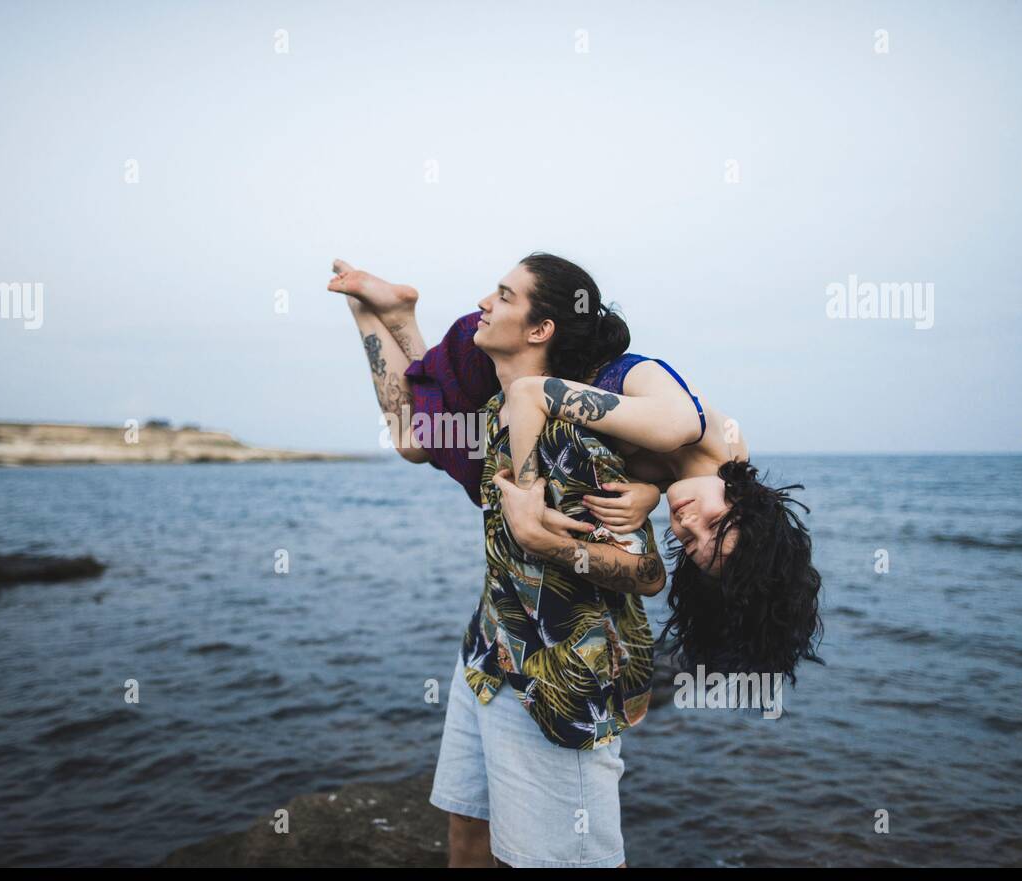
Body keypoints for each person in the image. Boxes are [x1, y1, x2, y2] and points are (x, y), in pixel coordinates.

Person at [330, 253, 824, 684]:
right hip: (519, 362)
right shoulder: (675, 424)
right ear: (747, 503)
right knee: (414, 438)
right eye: (714, 524)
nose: (687, 523)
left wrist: (650, 493)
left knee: (417, 440)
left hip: (522, 385)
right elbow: (532, 393)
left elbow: (670, 474)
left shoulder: (715, 472)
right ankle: (388, 314)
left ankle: (386, 313)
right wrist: (527, 496)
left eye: (690, 542)